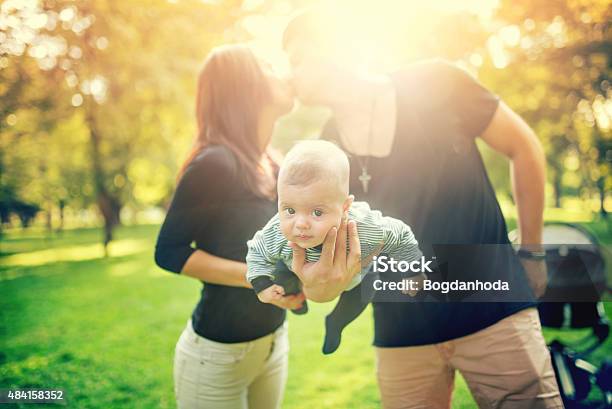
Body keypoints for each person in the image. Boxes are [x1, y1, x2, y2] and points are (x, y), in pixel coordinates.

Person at [281, 9, 563, 409]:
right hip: (401, 332)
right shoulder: (326, 148)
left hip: (494, 309)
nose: (290, 75)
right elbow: (337, 255)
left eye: (297, 60)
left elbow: (525, 147)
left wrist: (533, 250)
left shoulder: (437, 81)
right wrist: (314, 281)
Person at [154, 44, 303, 409]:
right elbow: (168, 252)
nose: (281, 72)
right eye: (267, 64)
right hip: (217, 357)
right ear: (245, 86)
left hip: (272, 342)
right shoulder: (215, 163)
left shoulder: (272, 163)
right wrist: (259, 274)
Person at [246, 140, 424, 354]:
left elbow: (401, 233)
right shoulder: (277, 231)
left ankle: (336, 323)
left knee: (367, 288)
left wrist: (413, 270)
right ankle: (298, 300)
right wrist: (262, 285)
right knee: (282, 278)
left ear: (345, 207)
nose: (300, 223)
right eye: (289, 210)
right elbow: (257, 250)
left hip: (357, 273)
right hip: (292, 267)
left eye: (317, 212)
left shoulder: (366, 227)